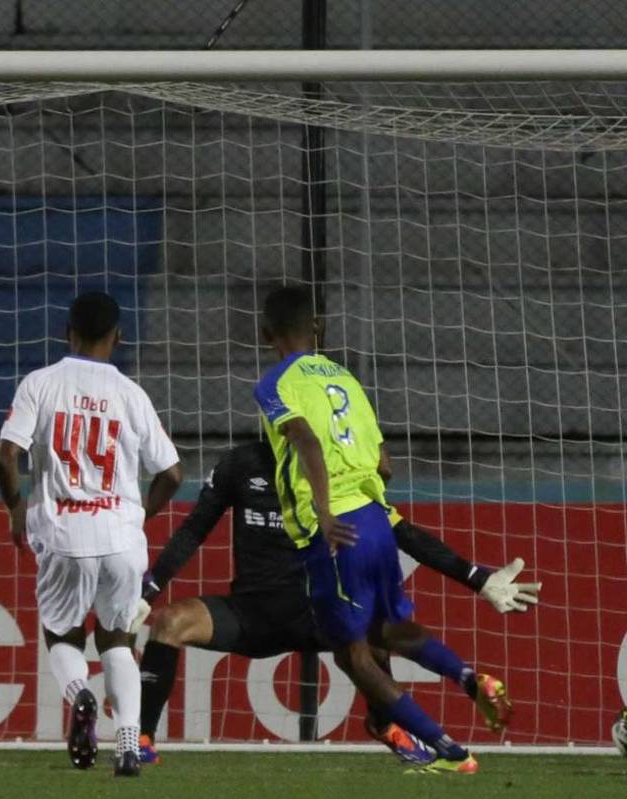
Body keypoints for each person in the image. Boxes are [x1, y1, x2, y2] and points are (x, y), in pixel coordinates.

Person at [134, 439, 542, 765]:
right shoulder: (240, 464)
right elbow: (192, 531)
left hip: (321, 612)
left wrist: (476, 578)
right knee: (169, 621)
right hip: (252, 614)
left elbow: (405, 533)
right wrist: (150, 591)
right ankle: (144, 740)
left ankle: (386, 725)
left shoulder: (338, 472)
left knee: (380, 636)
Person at [253, 284, 489, 774]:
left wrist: (321, 509)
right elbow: (384, 465)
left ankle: (449, 750)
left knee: (353, 655)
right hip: (378, 519)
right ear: (316, 329)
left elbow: (305, 440)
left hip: (338, 529)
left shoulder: (275, 382)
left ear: (266, 333)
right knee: (388, 629)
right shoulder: (346, 379)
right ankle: (469, 677)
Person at [0, 291, 183, 777]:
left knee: (63, 635)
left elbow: (5, 456)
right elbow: (173, 474)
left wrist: (17, 508)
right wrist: (138, 517)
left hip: (63, 534)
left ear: (66, 333)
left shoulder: (40, 383)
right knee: (118, 640)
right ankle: (126, 744)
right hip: (121, 538)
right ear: (118, 338)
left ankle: (81, 697)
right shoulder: (131, 393)